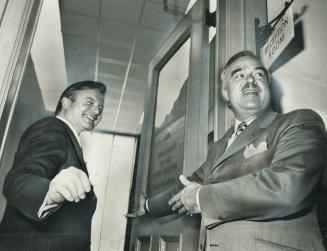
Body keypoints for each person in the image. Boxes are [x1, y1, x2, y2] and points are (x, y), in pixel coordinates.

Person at [132, 51, 327, 250]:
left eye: (259, 74)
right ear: (226, 93)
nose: (251, 80)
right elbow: (188, 186)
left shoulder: (300, 122)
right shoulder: (218, 147)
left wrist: (201, 198)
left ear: (267, 86)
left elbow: (288, 187)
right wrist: (147, 206)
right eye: (239, 75)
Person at [0, 80, 106, 251]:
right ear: (66, 102)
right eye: (90, 102)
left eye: (100, 108)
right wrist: (49, 193)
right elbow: (18, 179)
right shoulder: (53, 128)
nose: (97, 110)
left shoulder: (71, 140)